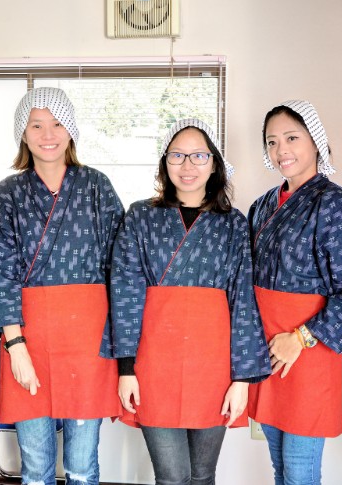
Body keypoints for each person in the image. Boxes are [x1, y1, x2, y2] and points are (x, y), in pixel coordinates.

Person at [103, 118, 271, 485]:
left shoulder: (233, 224)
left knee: (203, 475)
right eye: (177, 156)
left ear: (214, 163)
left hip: (214, 365)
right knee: (172, 476)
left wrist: (242, 378)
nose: (188, 165)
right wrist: (126, 369)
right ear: (165, 163)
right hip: (152, 362)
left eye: (198, 155)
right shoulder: (140, 216)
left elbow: (243, 300)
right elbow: (125, 292)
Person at [0, 87, 124, 485]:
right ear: (22, 134)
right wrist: (15, 346)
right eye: (37, 125)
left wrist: (122, 342)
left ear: (71, 130)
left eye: (57, 123)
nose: (48, 134)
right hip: (27, 337)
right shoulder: (8, 194)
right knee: (37, 467)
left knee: (81, 465)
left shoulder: (97, 186)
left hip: (89, 337)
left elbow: (121, 265)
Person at [247, 101, 342, 485]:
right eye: (272, 141)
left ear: (316, 142)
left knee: (300, 472)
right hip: (266, 348)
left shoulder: (334, 204)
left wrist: (301, 338)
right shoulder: (263, 204)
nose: (281, 149)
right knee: (280, 467)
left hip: (306, 348)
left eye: (291, 138)